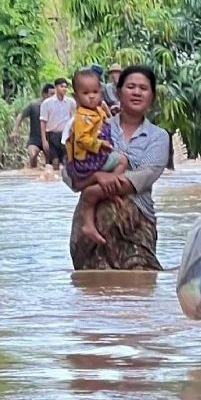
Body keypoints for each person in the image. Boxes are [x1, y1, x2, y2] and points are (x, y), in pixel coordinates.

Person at [67, 66, 173, 270]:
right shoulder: (93, 125)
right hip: (90, 228)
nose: (136, 92)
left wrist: (104, 182)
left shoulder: (158, 137)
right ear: (117, 92)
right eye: (130, 86)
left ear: (152, 96)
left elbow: (144, 176)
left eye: (143, 88)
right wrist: (97, 175)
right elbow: (70, 174)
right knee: (92, 290)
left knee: (139, 285)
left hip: (136, 227)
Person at [64, 68, 129, 246]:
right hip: (88, 160)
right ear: (76, 97)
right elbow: (83, 139)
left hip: (93, 158)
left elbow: (107, 122)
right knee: (122, 160)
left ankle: (107, 190)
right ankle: (111, 185)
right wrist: (100, 144)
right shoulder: (81, 117)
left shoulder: (97, 110)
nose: (92, 96)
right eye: (86, 93)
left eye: (95, 92)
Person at [15, 83, 53, 169]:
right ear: (44, 94)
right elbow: (20, 116)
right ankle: (33, 173)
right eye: (51, 94)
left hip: (50, 139)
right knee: (32, 155)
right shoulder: (33, 105)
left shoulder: (55, 106)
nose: (53, 97)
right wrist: (15, 131)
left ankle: (47, 178)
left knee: (50, 163)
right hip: (35, 139)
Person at [39, 77, 73, 169]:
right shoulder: (47, 103)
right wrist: (44, 140)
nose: (64, 89)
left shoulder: (70, 102)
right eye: (62, 86)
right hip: (52, 135)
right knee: (55, 161)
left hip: (66, 135)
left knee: (67, 160)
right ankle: (55, 180)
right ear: (56, 87)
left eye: (66, 87)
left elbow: (74, 119)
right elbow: (43, 122)